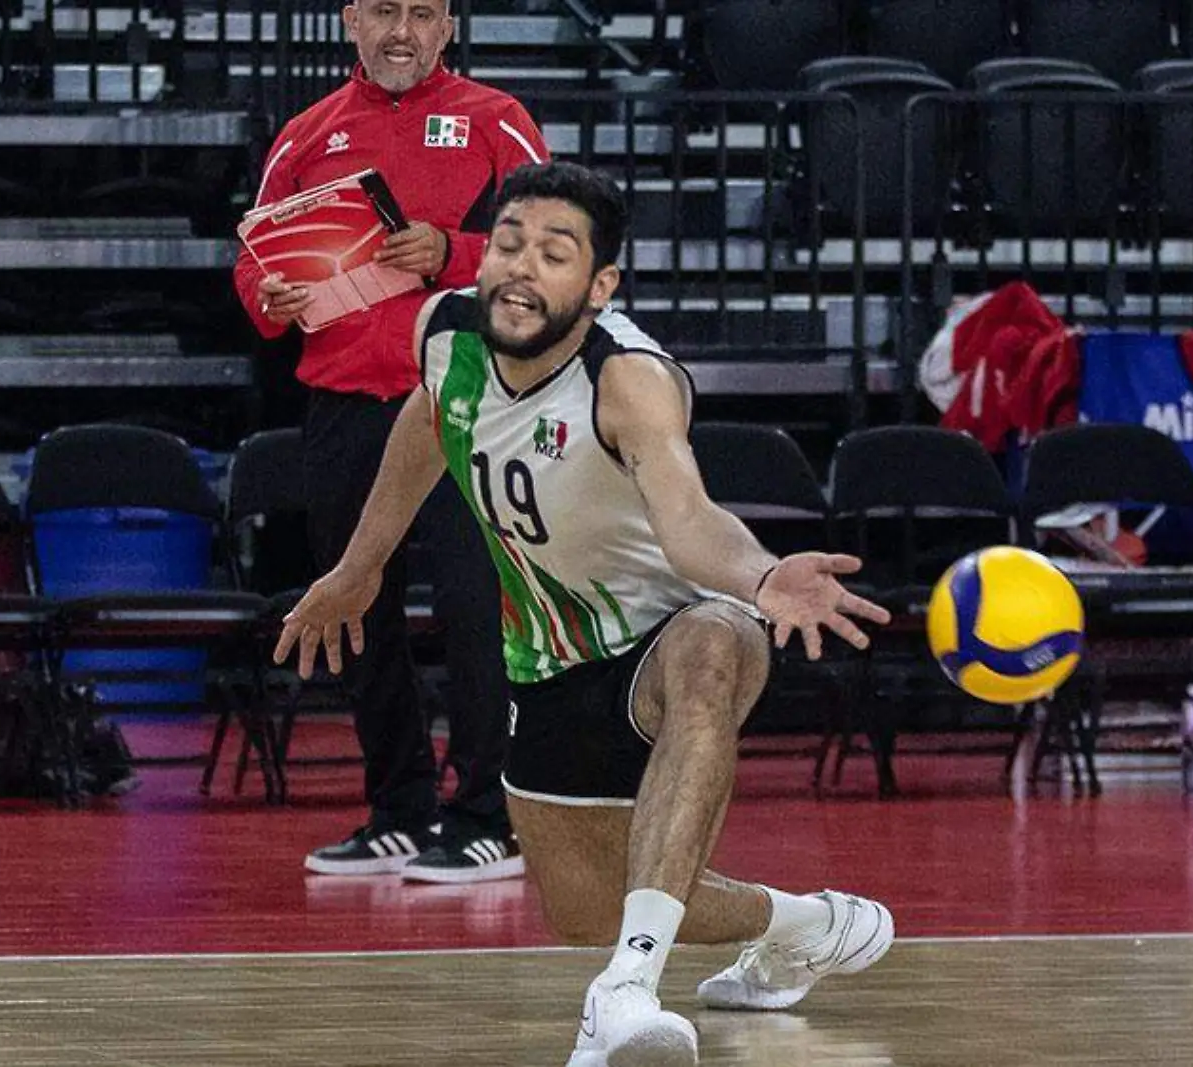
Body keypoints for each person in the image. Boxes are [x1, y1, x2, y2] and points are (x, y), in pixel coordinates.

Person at [274, 162, 896, 1066]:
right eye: (511, 244)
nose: (523, 269)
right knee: (586, 910)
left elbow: (688, 521)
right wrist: (360, 565)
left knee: (714, 649)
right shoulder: (445, 333)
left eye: (555, 254)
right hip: (551, 661)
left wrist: (760, 579)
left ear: (600, 286)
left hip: (670, 626)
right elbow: (429, 424)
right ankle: (808, 923)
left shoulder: (629, 380)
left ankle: (628, 990)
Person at [233, 0, 550, 883]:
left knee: (471, 604)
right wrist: (269, 297)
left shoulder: (499, 122)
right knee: (353, 606)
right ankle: (400, 810)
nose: (400, 30)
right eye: (382, 11)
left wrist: (450, 251)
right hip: (340, 403)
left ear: (449, 26)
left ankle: (488, 814)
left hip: (464, 396)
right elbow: (256, 256)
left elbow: (561, 245)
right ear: (349, 22)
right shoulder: (306, 134)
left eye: (420, 12)